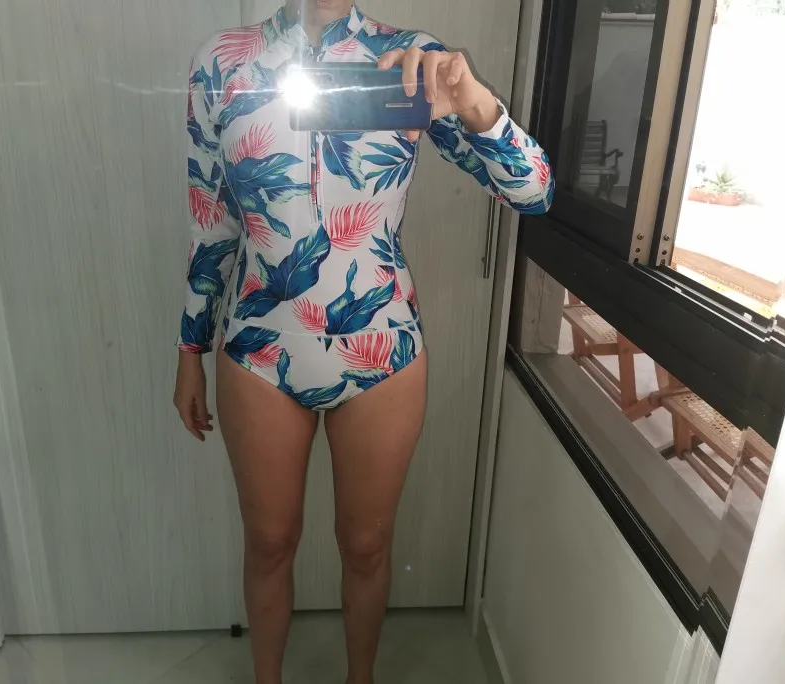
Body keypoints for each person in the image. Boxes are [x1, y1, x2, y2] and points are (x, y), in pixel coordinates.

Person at [173, 2, 553, 682]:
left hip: (383, 348)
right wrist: (188, 350)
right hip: (259, 345)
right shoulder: (222, 62)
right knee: (268, 543)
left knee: (368, 547)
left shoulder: (410, 60)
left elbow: (534, 193)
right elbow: (213, 222)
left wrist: (473, 101)